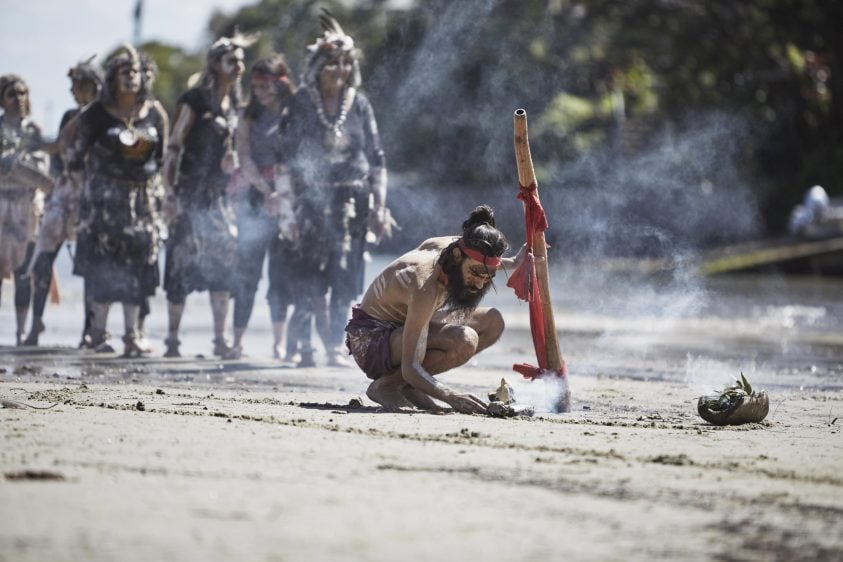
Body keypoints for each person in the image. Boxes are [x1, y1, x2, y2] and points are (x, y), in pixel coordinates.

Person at [281, 10, 391, 367]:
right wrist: (286, 211)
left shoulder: (359, 103)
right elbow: (285, 161)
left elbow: (376, 158)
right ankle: (306, 346)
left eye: (345, 62)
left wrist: (379, 206)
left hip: (353, 201)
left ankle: (334, 346)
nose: (340, 69)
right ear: (317, 66)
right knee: (310, 275)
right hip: (311, 202)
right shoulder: (300, 103)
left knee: (345, 276)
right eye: (332, 62)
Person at [345, 205, 523, 414]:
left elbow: (484, 263)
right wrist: (451, 396)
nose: (479, 284)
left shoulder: (459, 246)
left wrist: (517, 262)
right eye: (475, 273)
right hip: (370, 342)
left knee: (492, 321)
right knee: (465, 340)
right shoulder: (425, 285)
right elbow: (411, 367)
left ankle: (405, 386)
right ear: (457, 256)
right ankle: (387, 386)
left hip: (405, 325)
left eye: (488, 277)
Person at [66, 45, 169, 356]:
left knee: (138, 267)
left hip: (142, 204)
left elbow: (162, 158)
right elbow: (75, 157)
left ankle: (134, 334)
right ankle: (97, 334)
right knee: (103, 267)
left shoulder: (154, 112)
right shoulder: (96, 113)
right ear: (112, 79)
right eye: (124, 72)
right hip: (103, 204)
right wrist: (79, 198)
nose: (131, 77)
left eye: (134, 72)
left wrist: (163, 196)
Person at [161, 34, 252, 358]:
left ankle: (219, 339)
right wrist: (169, 193)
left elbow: (233, 148)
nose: (239, 66)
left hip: (218, 200)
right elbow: (174, 146)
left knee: (223, 265)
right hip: (188, 194)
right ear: (215, 64)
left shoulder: (234, 104)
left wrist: (232, 162)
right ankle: (172, 339)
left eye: (241, 61)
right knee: (180, 264)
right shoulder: (194, 100)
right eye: (232, 61)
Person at [24, 56, 103, 347]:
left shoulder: (105, 116)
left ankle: (89, 329)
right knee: (43, 257)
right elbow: (59, 151)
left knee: (91, 265)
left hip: (93, 196)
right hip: (65, 193)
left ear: (91, 85)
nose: (71, 91)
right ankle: (36, 323)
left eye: (76, 85)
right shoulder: (70, 115)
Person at [226, 55, 297, 360]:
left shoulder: (296, 111)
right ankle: (236, 341)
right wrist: (267, 191)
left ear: (281, 82)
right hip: (254, 196)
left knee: (281, 273)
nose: (259, 92)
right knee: (247, 272)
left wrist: (284, 193)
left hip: (289, 198)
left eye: (265, 85)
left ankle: (278, 343)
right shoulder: (248, 114)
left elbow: (301, 156)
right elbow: (243, 156)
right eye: (254, 86)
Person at [0, 74, 52, 345]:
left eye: (22, 93)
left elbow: (43, 172)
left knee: (24, 270)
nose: (18, 99)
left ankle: (21, 331)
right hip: (1, 203)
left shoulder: (34, 130)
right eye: (12, 94)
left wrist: (21, 166)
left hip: (27, 206)